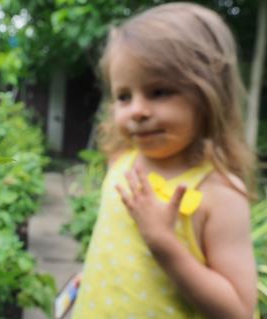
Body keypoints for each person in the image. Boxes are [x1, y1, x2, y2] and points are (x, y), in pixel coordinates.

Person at [71, 2, 258, 319]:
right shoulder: (123, 162)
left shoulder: (220, 195)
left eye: (159, 92)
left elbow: (238, 310)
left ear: (208, 94)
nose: (137, 111)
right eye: (124, 96)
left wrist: (163, 243)